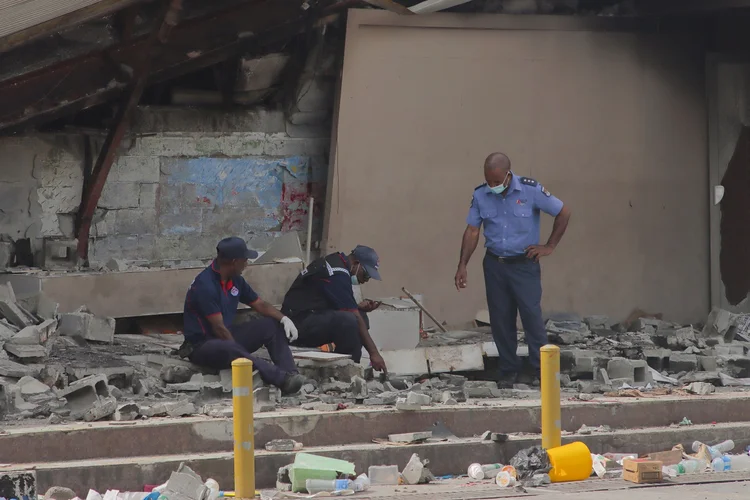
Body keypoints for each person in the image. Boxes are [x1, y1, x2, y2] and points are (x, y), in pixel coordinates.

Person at [454, 152, 571, 388]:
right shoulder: (480, 194)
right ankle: (509, 370)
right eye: (488, 181)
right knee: (501, 319)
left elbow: (563, 212)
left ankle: (540, 370)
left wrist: (549, 246)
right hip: (495, 265)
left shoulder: (531, 190)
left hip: (524, 264)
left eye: (496, 181)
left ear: (508, 174)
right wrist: (462, 265)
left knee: (531, 316)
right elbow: (472, 231)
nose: (492, 186)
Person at [183, 236, 305, 394]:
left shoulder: (236, 280)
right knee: (229, 347)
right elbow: (219, 328)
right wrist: (240, 353)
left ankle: (291, 375)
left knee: (270, 325)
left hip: (226, 336)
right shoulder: (205, 286)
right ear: (234, 261)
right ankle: (280, 379)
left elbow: (259, 304)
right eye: (245, 260)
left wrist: (283, 319)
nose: (247, 264)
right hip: (202, 345)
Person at [281, 245, 388, 373]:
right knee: (350, 320)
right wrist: (374, 353)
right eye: (365, 275)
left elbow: (328, 299)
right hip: (296, 326)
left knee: (359, 317)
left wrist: (358, 307)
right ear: (356, 263)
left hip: (309, 316)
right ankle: (347, 369)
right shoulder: (337, 274)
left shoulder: (336, 262)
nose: (365, 281)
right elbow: (353, 315)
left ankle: (348, 363)